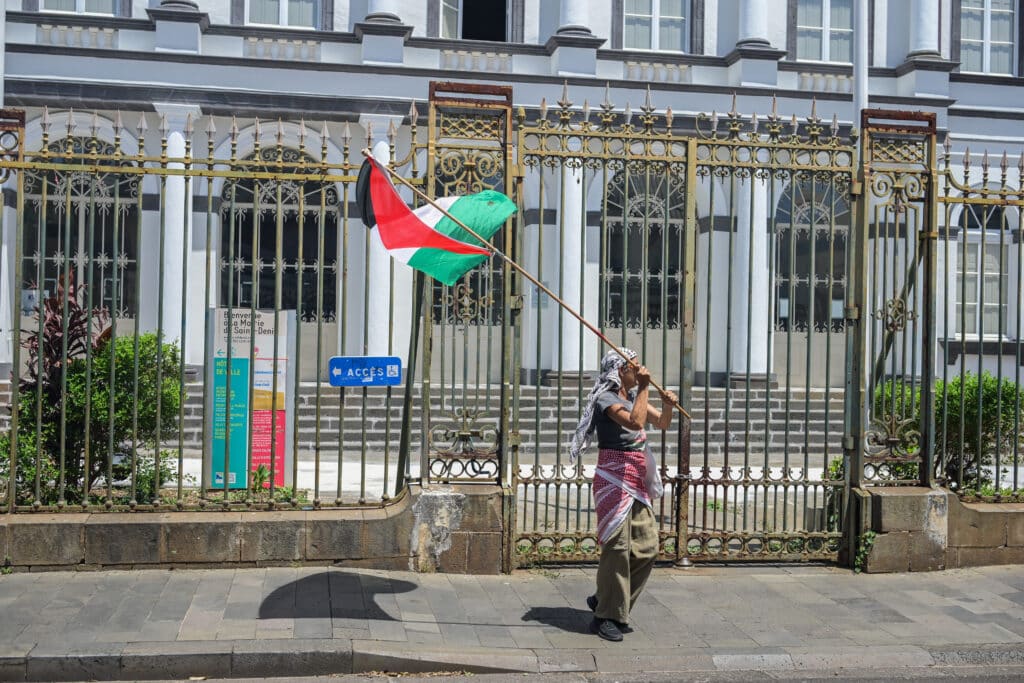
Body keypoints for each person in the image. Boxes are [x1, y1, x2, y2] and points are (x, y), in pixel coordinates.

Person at [569, 347, 678, 642]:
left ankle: (606, 599)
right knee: (617, 549)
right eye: (634, 366)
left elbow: (662, 423)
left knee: (647, 546)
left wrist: (667, 405)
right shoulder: (606, 398)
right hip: (612, 479)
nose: (639, 368)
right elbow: (635, 422)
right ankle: (606, 615)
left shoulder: (632, 396)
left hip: (636, 478)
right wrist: (644, 387)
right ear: (620, 371)